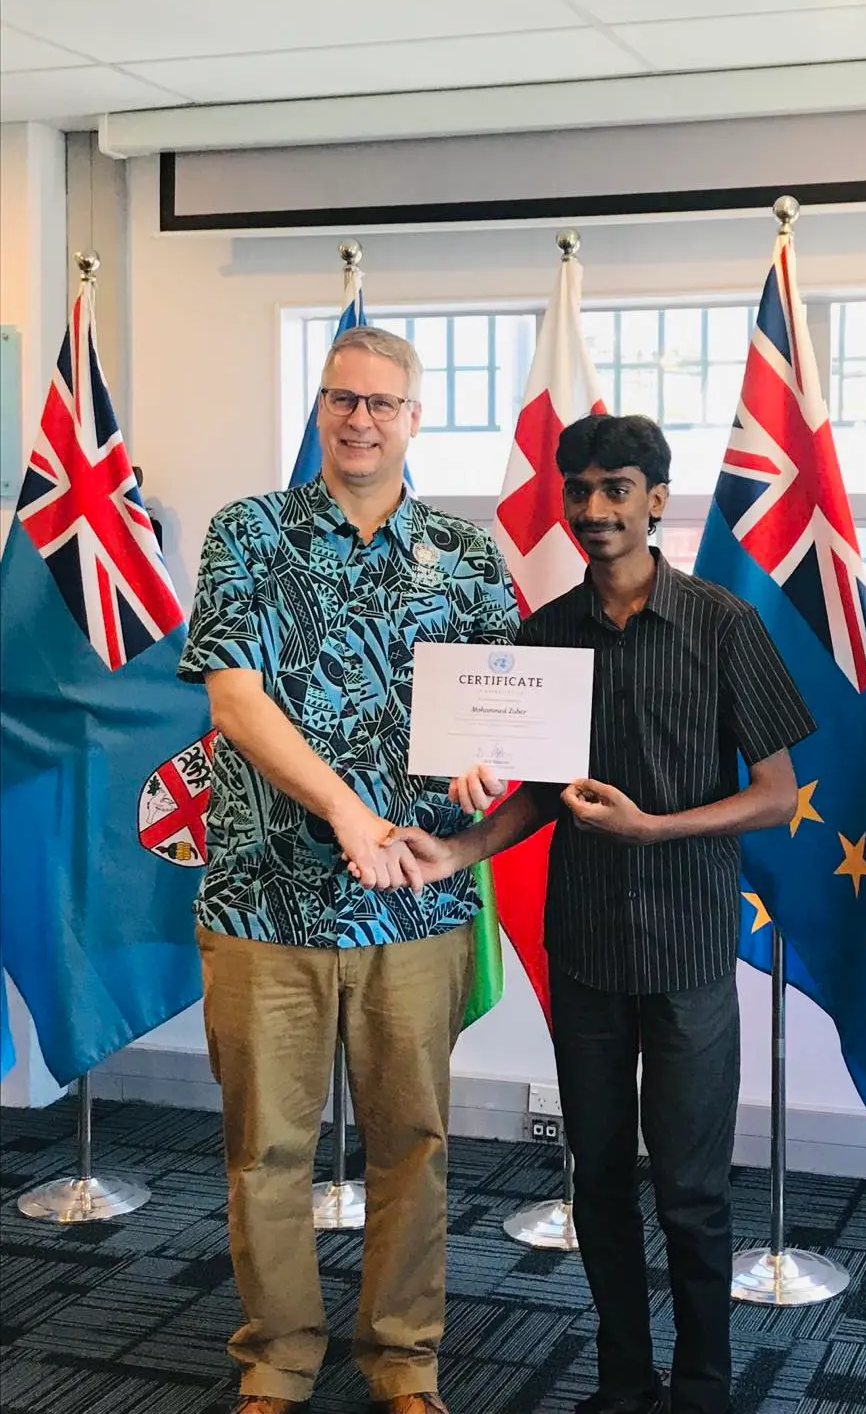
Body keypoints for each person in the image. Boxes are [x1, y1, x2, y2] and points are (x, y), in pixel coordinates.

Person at [389, 414, 816, 1414]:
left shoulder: (721, 623)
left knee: (692, 1192)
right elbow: (537, 792)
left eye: (617, 488)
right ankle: (626, 1381)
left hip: (690, 950)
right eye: (580, 489)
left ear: (658, 500)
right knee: (601, 1187)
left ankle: (703, 1389)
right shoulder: (542, 637)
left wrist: (654, 828)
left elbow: (777, 793)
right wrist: (457, 847)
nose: (595, 510)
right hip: (584, 949)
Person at [178, 326, 517, 1414]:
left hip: (413, 904)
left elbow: (503, 713)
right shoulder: (249, 533)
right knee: (266, 1150)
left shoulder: (464, 558)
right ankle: (276, 1362)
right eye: (339, 399)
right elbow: (233, 700)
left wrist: (484, 773)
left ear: (416, 418)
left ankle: (404, 1362)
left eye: (380, 402)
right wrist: (346, 812)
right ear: (319, 411)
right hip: (262, 899)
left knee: (412, 1145)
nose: (358, 418)